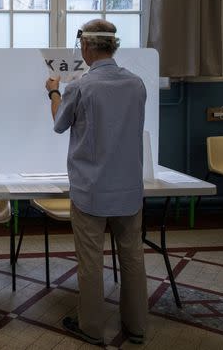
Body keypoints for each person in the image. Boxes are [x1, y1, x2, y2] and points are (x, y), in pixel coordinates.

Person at [45, 19, 148, 346]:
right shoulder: (137, 84)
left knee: (90, 259)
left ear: (87, 46)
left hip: (91, 188)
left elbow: (60, 124)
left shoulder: (81, 87)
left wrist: (54, 92)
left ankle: (91, 326)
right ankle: (137, 327)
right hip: (129, 187)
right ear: (113, 46)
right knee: (132, 257)